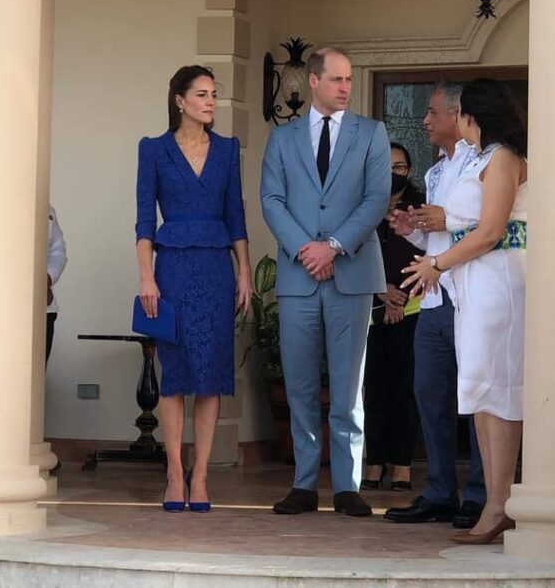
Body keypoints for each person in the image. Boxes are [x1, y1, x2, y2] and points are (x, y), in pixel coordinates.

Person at [260, 47, 390, 518]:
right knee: (298, 384)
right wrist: (305, 249)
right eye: (336, 79)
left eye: (350, 79)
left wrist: (332, 246)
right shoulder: (282, 138)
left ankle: (347, 485)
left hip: (350, 274)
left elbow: (376, 199)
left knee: (348, 383)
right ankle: (303, 483)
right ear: (312, 81)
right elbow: (272, 200)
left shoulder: (372, 133)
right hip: (299, 276)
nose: (345, 87)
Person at [401, 78, 526, 545]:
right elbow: (465, 225)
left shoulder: (503, 158)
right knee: (478, 391)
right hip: (471, 284)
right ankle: (495, 505)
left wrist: (437, 263)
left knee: (500, 391)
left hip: (498, 282)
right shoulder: (474, 160)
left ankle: (499, 503)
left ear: (474, 116)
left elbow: (492, 230)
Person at [135, 64, 252, 513]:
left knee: (210, 375)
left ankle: (200, 476)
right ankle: (173, 472)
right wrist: (146, 276)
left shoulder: (227, 150)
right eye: (202, 94)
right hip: (172, 270)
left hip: (216, 270)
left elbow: (236, 217)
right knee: (175, 375)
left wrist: (243, 270)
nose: (211, 102)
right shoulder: (154, 150)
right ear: (179, 101)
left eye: (214, 94)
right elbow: (145, 220)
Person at [383, 83, 486, 530]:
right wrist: (412, 229)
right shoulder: (437, 171)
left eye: (432, 112)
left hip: (472, 296)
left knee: (479, 398)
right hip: (433, 299)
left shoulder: (486, 161)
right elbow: (436, 235)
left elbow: (498, 226)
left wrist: (449, 222)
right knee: (430, 395)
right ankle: (440, 491)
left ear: (457, 114)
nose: (425, 120)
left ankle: (482, 496)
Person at [362, 143, 425, 491]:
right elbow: (354, 251)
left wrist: (399, 298)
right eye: (386, 167)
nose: (393, 174)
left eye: (399, 167)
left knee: (404, 389)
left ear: (409, 171)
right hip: (370, 309)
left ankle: (401, 464)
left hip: (412, 308)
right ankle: (374, 463)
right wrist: (381, 290)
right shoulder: (364, 204)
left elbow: (430, 253)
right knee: (374, 388)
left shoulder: (419, 207)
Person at [45, 204, 67, 366]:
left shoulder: (47, 209)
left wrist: (47, 278)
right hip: (6, 311)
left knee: (36, 378)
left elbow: (57, 252)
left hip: (45, 310)